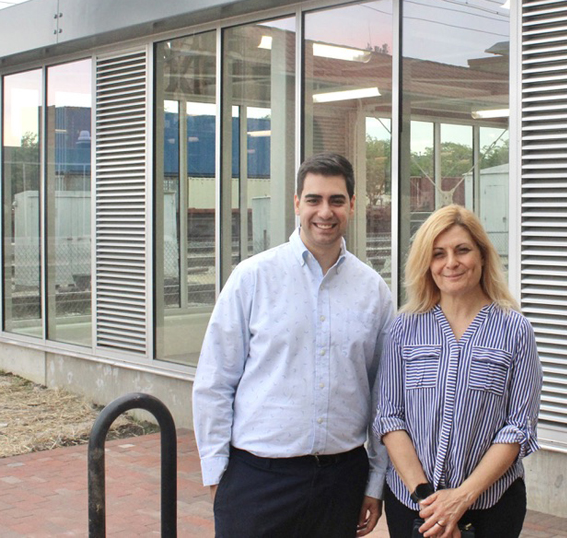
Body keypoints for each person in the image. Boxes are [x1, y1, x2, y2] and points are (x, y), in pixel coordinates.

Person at [192, 152, 396, 537]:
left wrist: (374, 481)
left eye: (336, 200)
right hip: (257, 480)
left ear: (352, 205)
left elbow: (383, 396)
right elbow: (215, 380)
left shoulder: (373, 291)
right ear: (297, 204)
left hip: (341, 480)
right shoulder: (252, 278)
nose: (325, 211)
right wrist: (218, 472)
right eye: (314, 199)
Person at [374, 205, 542, 538]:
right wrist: (429, 501)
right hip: (414, 506)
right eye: (438, 254)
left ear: (481, 255)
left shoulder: (515, 330)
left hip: (491, 508)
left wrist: (461, 497)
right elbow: (389, 418)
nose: (451, 263)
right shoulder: (403, 329)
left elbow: (518, 427)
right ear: (427, 263)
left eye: (462, 250)